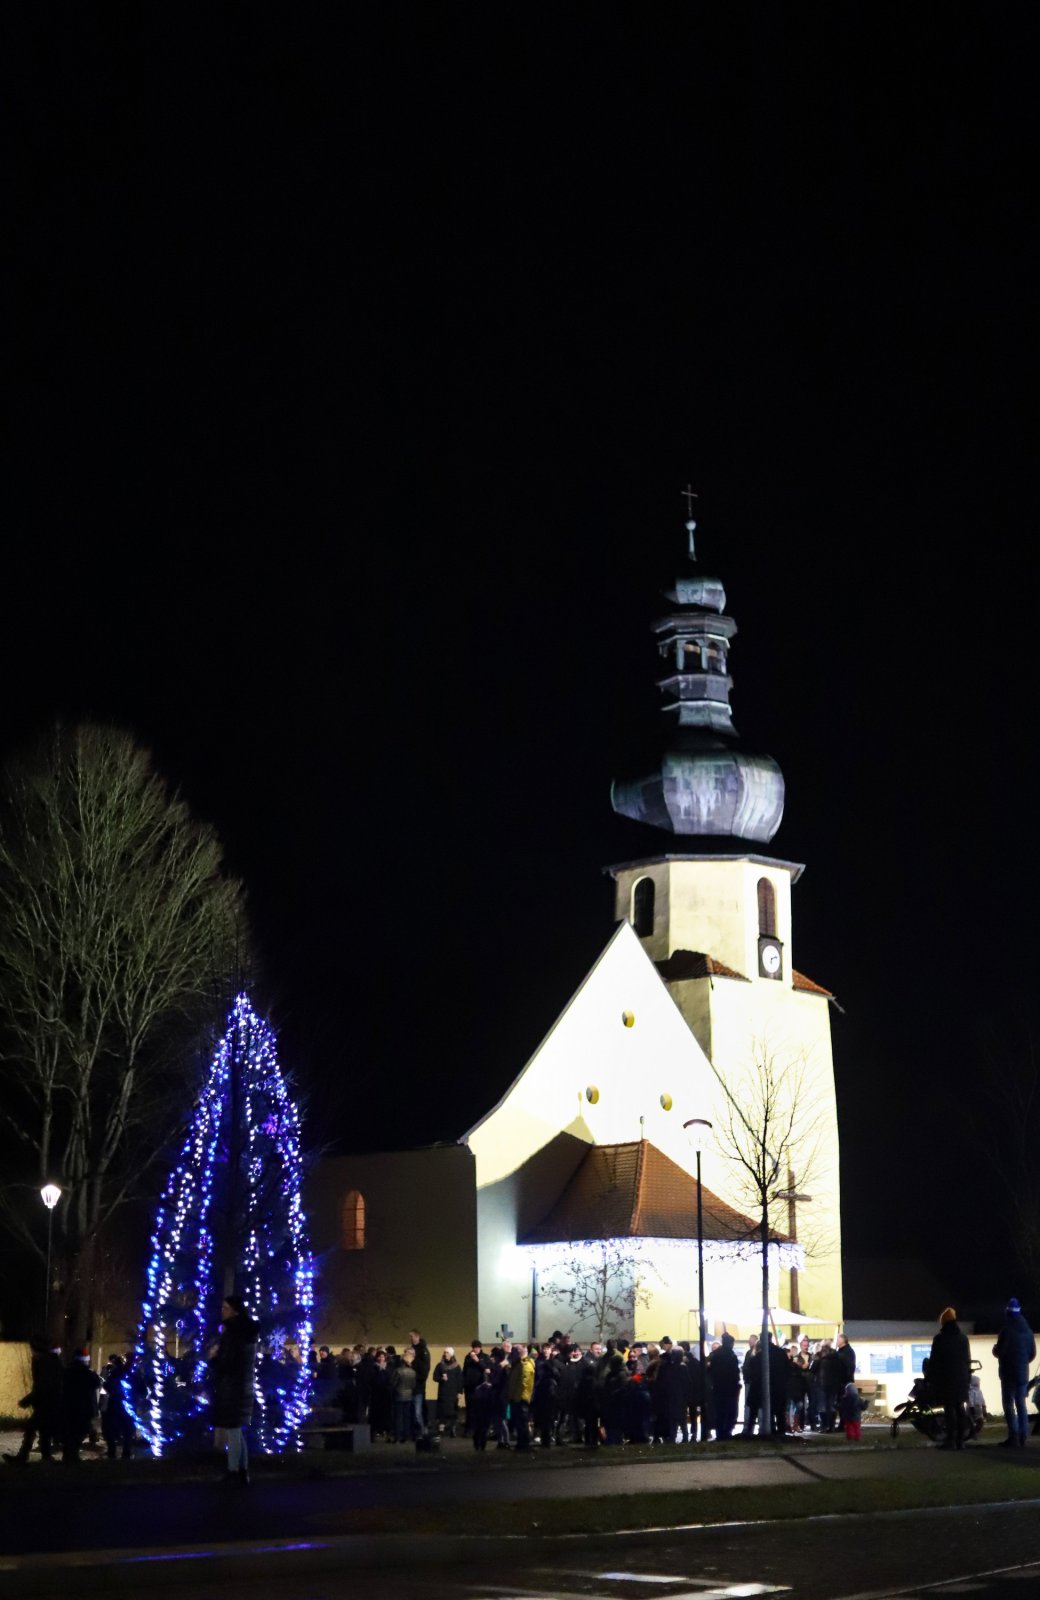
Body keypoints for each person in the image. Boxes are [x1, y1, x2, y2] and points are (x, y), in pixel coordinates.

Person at [209, 1293, 260, 1484]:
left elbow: (228, 1363)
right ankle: (243, 1471)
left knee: (233, 1430)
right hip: (242, 1386)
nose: (222, 1311)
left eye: (226, 1308)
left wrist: (214, 1358)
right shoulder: (246, 1332)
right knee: (236, 1430)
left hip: (233, 1387)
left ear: (235, 1311)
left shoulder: (233, 1333)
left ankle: (233, 1471)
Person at [4, 1334, 63, 1466]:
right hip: (47, 1402)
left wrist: (28, 1399)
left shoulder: (45, 1362)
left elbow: (44, 1385)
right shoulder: (48, 1360)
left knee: (32, 1427)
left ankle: (24, 1456)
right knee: (43, 1430)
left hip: (47, 1402)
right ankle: (44, 1456)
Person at [993, 1297, 1035, 1448]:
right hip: (1023, 1373)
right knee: (1021, 1404)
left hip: (1009, 1373)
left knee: (1009, 1404)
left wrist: (995, 1349)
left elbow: (1000, 1351)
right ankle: (1023, 1435)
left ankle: (1014, 1436)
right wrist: (1022, 1363)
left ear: (1008, 1312)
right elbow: (1032, 1354)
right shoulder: (1028, 1331)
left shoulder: (1006, 1330)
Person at [929, 1307, 971, 1450]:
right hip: (962, 1378)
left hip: (946, 1378)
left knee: (949, 1409)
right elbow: (967, 1360)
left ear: (944, 1322)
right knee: (960, 1408)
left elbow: (934, 1361)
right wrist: (967, 1376)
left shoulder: (940, 1339)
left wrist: (931, 1377)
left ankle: (951, 1440)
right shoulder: (963, 1338)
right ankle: (961, 1440)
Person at [61, 1348, 101, 1465]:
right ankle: (72, 1455)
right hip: (84, 1408)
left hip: (69, 1407)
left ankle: (68, 1455)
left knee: (70, 1432)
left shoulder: (67, 1372)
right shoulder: (88, 1373)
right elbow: (97, 1383)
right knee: (80, 1432)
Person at [100, 1353, 135, 1460]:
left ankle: (113, 1451)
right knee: (127, 1430)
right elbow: (141, 1389)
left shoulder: (116, 1373)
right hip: (127, 1405)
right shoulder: (132, 1373)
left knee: (111, 1429)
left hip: (115, 1404)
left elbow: (106, 1385)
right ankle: (126, 1452)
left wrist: (114, 1392)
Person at [708, 1332, 741, 1441]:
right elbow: (734, 1372)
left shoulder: (716, 1355)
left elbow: (711, 1370)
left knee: (720, 1412)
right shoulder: (730, 1355)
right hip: (729, 1388)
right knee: (729, 1412)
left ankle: (721, 1433)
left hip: (719, 1387)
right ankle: (726, 1432)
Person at [506, 1342, 535, 1450]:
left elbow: (525, 1384)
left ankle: (524, 1444)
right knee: (519, 1422)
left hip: (520, 1398)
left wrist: (520, 1397)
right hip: (516, 1397)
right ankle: (521, 1443)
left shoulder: (525, 1365)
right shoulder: (519, 1364)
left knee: (522, 1422)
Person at [433, 1347, 463, 1436]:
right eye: (445, 1352)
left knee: (453, 1411)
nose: (445, 1354)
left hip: (453, 1392)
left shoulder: (456, 1366)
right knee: (442, 1411)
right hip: (443, 1392)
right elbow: (435, 1377)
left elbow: (460, 1380)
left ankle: (452, 1428)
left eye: (447, 1352)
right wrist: (441, 1379)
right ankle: (441, 1428)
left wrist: (460, 1392)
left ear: (451, 1354)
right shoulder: (440, 1365)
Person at [390, 1347, 417, 1441]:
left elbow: (393, 1383)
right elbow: (413, 1385)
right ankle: (406, 1435)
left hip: (399, 1395)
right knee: (406, 1417)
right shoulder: (413, 1372)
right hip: (409, 1396)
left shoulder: (398, 1371)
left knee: (398, 1417)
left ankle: (398, 1435)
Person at [409, 1330, 431, 1438]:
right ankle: (416, 1432)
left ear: (417, 1337)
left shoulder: (423, 1351)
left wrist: (413, 1362)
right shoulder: (411, 1349)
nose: (411, 1338)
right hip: (410, 1386)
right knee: (413, 1411)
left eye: (412, 1336)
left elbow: (425, 1369)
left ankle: (421, 1432)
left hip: (418, 1386)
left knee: (418, 1411)